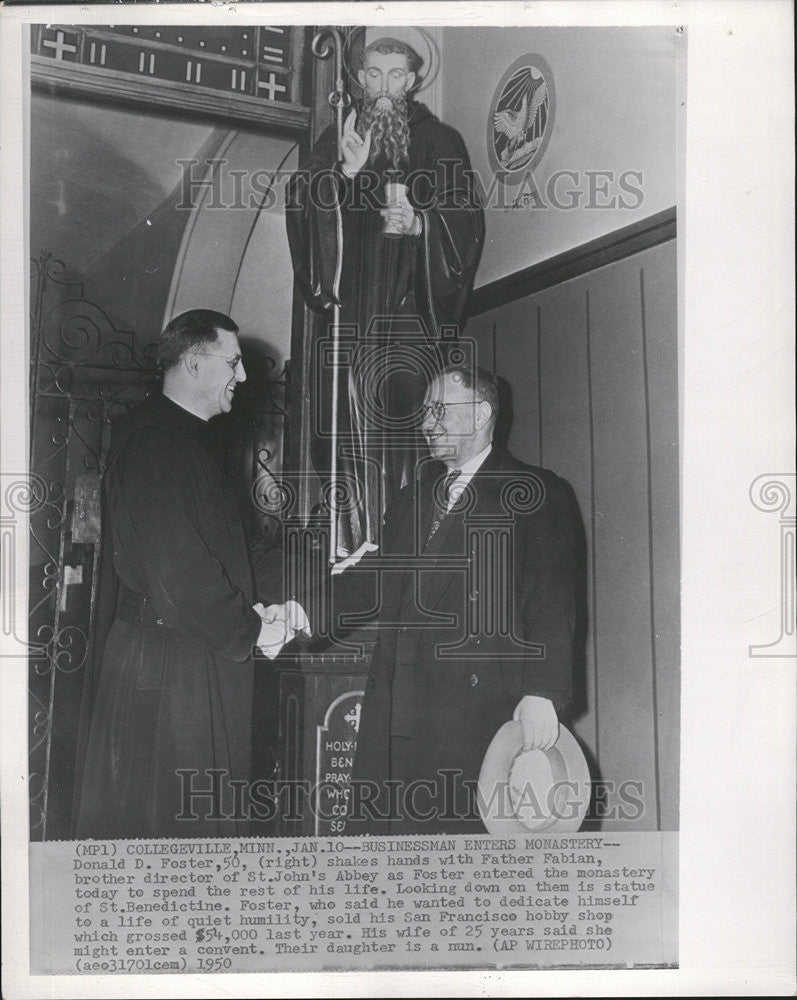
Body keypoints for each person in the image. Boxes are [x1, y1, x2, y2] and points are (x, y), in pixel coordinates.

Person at [277, 364, 584, 834]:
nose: (426, 423)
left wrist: (544, 691)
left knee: (461, 859)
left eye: (440, 410)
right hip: (396, 710)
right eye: (424, 412)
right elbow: (373, 580)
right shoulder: (411, 499)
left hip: (476, 713)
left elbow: (552, 598)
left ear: (481, 413)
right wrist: (298, 614)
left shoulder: (537, 492)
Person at [75, 310, 291, 839]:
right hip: (167, 666)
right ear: (195, 364)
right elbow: (177, 574)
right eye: (233, 363)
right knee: (168, 823)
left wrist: (317, 568)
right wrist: (254, 629)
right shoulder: (154, 443)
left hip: (186, 652)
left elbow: (229, 553)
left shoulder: (183, 439)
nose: (242, 378)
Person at [286, 36, 485, 554]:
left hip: (409, 320)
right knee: (345, 428)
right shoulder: (341, 136)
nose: (383, 88)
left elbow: (465, 222)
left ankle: (404, 546)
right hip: (352, 317)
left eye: (396, 75)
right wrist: (346, 172)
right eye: (373, 74)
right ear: (359, 77)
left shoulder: (439, 139)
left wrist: (422, 225)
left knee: (403, 434)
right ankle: (350, 548)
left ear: (413, 80)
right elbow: (302, 204)